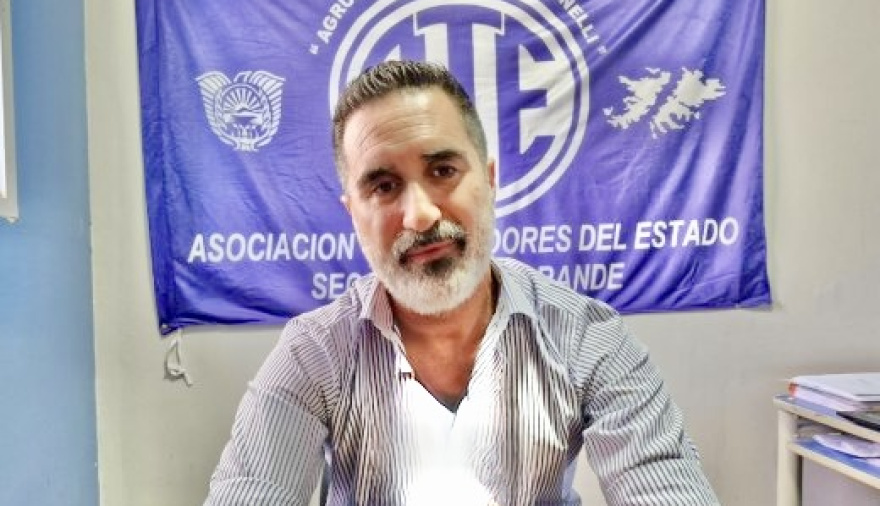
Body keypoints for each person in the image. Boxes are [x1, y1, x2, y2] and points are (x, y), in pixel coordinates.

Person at [205, 60, 719, 505]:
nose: (420, 215)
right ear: (353, 213)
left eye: (443, 170)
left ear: (489, 180)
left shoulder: (586, 338)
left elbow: (663, 485)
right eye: (383, 186)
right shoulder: (315, 352)